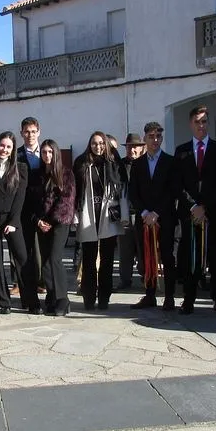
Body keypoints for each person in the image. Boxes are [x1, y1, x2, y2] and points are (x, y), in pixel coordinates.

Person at [174, 105, 216, 314]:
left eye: (204, 121)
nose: (201, 125)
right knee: (191, 257)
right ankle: (188, 298)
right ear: (190, 124)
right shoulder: (182, 151)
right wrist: (193, 206)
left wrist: (205, 206)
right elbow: (178, 184)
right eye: (197, 122)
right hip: (190, 214)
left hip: (212, 213)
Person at [0, 131, 40, 313]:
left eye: (9, 147)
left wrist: (14, 221)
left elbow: (20, 197)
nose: (5, 149)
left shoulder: (20, 168)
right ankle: (3, 302)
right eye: (2, 145)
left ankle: (31, 301)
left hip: (12, 218)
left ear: (13, 149)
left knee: (22, 259)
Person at [130, 122, 178, 311]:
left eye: (158, 136)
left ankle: (169, 296)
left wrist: (156, 213)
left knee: (167, 256)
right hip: (144, 219)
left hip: (164, 218)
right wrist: (144, 213)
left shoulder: (170, 162)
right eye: (151, 136)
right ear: (145, 139)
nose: (155, 140)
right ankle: (150, 295)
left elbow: (172, 191)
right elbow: (133, 192)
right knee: (146, 257)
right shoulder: (137, 164)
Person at [74, 131, 123, 310]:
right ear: (90, 145)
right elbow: (75, 190)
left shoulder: (113, 162)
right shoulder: (81, 162)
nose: (98, 146)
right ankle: (88, 297)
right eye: (94, 143)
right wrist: (74, 214)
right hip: (88, 213)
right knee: (88, 259)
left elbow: (122, 188)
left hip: (108, 214)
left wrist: (124, 215)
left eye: (102, 143)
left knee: (107, 260)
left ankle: (104, 297)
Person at [36, 138, 76, 316]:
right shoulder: (38, 174)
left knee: (55, 259)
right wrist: (38, 220)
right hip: (42, 223)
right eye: (44, 152)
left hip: (59, 223)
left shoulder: (66, 174)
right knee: (45, 262)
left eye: (50, 152)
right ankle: (51, 296)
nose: (47, 155)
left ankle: (62, 299)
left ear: (56, 153)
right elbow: (33, 200)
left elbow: (66, 201)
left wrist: (52, 221)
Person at [17, 117, 45, 293]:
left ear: (39, 132)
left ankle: (42, 281)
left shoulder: (47, 152)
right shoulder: (16, 155)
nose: (30, 135)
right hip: (23, 207)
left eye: (33, 131)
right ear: (21, 133)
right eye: (27, 132)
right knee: (24, 247)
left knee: (41, 247)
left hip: (43, 207)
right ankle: (20, 283)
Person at [117, 133, 145, 290]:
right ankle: (125, 279)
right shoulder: (120, 165)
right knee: (125, 249)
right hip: (125, 212)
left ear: (141, 148)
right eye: (129, 147)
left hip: (142, 212)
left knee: (143, 248)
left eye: (135, 147)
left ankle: (145, 276)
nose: (132, 150)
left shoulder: (145, 163)